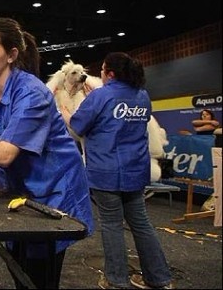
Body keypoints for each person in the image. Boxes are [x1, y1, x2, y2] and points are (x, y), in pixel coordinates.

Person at [0, 17, 94, 288]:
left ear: (11, 55)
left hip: (53, 194)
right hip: (17, 193)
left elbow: (4, 154)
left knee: (38, 275)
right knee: (20, 269)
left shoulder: (32, 93)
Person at [61, 52, 174, 289]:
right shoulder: (142, 96)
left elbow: (79, 126)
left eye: (102, 69)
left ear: (109, 73)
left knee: (112, 225)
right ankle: (159, 278)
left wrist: (65, 113)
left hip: (106, 171)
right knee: (141, 223)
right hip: (136, 171)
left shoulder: (101, 95)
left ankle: (116, 280)